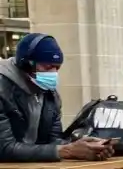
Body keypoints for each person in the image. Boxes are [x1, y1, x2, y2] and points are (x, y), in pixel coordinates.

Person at [0, 32, 114, 162]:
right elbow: (4, 148)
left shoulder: (50, 96)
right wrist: (67, 150)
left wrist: (85, 146)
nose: (53, 73)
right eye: (48, 67)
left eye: (57, 68)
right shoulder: (3, 89)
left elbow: (53, 141)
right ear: (27, 64)